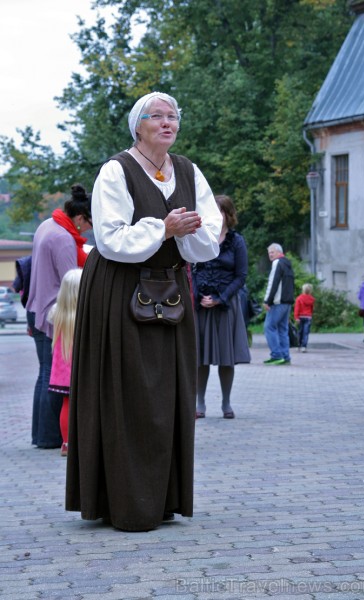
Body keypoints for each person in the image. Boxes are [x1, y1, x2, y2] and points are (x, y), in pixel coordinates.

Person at [65, 91, 222, 531]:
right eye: (158, 116)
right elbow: (111, 237)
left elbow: (210, 232)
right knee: (127, 392)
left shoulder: (188, 171)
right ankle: (123, 502)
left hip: (170, 288)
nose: (168, 122)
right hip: (120, 289)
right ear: (139, 125)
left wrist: (184, 235)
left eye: (174, 115)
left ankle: (164, 498)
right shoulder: (116, 169)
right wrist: (163, 228)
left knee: (168, 394)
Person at [26, 185, 92, 449]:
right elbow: (71, 282)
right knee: (54, 378)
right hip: (55, 314)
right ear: (79, 218)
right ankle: (51, 437)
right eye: (88, 222)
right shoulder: (64, 238)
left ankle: (40, 435)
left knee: (44, 373)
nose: (87, 229)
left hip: (36, 309)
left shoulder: (47, 225)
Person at [191, 195, 250, 420]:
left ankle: (226, 403)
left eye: (219, 211)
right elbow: (193, 269)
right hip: (202, 304)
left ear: (227, 214)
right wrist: (199, 296)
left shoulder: (237, 241)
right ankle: (200, 404)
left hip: (226, 305)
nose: (216, 215)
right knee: (200, 358)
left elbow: (241, 276)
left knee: (226, 358)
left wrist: (220, 298)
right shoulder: (201, 237)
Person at [48, 269, 82, 457]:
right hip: (81, 370)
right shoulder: (86, 315)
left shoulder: (57, 313)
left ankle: (66, 443)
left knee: (67, 404)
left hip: (62, 371)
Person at [263, 243, 294, 365]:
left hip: (278, 302)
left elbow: (273, 283)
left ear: (278, 252)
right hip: (287, 303)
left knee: (269, 327)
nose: (270, 255)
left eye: (272, 252)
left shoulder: (277, 263)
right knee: (282, 329)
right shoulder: (288, 263)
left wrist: (267, 301)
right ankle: (285, 357)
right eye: (269, 253)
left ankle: (276, 355)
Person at [294, 283, 315, 352]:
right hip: (308, 317)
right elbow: (312, 309)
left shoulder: (299, 298)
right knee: (306, 332)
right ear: (310, 291)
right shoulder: (312, 299)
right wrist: (310, 315)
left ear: (303, 290)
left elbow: (297, 308)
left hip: (300, 317)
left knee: (300, 331)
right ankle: (304, 347)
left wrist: (296, 317)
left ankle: (298, 346)